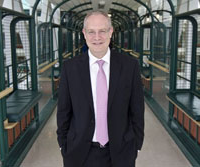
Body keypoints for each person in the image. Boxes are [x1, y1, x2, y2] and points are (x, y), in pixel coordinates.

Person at [57, 11, 144, 167]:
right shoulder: (70, 68)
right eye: (91, 32)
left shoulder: (130, 66)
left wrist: (136, 144)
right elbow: (64, 111)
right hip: (79, 152)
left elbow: (137, 109)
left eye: (102, 31)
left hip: (121, 151)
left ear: (110, 32)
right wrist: (63, 144)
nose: (97, 37)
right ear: (84, 33)